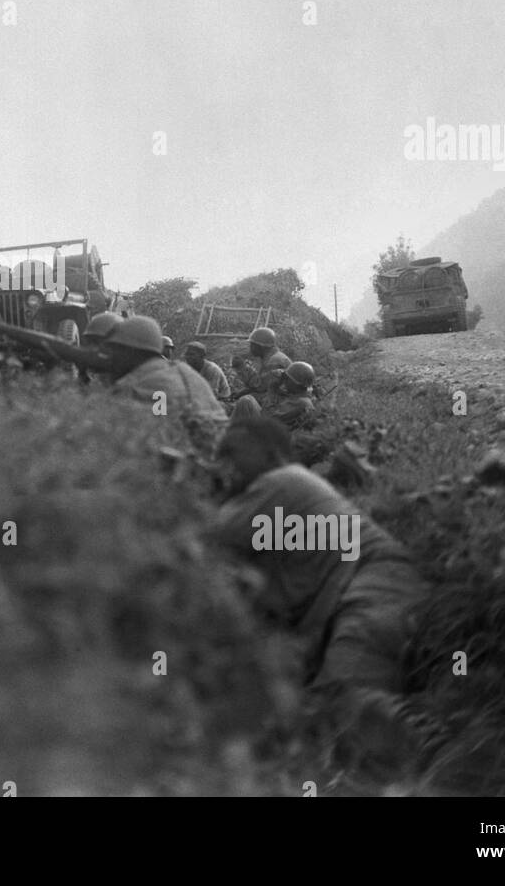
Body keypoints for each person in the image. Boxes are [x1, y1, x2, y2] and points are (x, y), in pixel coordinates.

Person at [209, 417, 428, 771]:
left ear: (270, 454)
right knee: (314, 715)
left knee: (340, 703)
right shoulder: (275, 492)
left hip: (376, 582)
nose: (223, 463)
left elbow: (206, 535)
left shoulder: (282, 481)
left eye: (232, 452)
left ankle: (453, 756)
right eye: (219, 455)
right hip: (362, 591)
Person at [102, 315, 227, 451]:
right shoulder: (176, 370)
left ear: (131, 351)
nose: (111, 357)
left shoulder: (156, 381)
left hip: (204, 455)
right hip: (212, 447)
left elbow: (158, 425)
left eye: (116, 350)